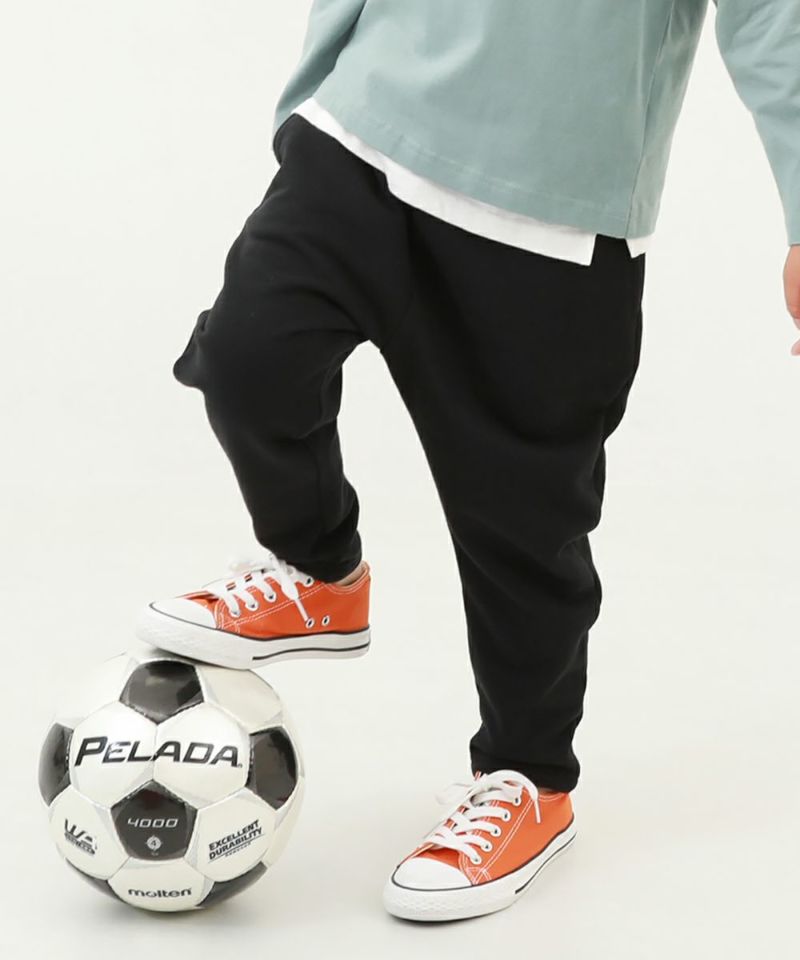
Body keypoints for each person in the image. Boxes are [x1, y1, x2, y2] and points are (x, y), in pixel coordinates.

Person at [135, 0, 800, 922]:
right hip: (364, 129)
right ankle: (318, 569)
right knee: (248, 357)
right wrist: (313, 98)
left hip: (556, 208)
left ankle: (529, 780)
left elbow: (774, 17)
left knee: (523, 533)